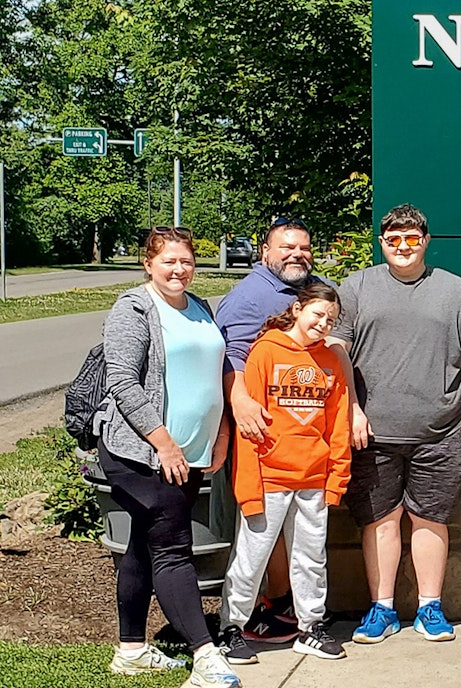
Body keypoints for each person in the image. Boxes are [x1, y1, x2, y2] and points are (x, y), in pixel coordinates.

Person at [329, 204, 461, 644]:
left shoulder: (456, 291)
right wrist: (351, 408)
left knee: (430, 520)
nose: (403, 247)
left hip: (442, 432)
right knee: (380, 521)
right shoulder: (355, 288)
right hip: (373, 431)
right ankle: (382, 609)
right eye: (394, 239)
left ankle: (430, 607)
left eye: (412, 239)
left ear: (426, 241)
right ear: (382, 242)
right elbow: (336, 352)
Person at [97, 227, 241, 688]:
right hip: (142, 455)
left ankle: (132, 650)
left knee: (143, 542)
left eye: (186, 261)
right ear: (148, 264)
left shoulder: (200, 307)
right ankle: (205, 656)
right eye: (168, 262)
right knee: (173, 548)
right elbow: (122, 382)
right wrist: (163, 443)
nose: (179, 270)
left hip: (193, 453)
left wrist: (221, 433)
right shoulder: (133, 308)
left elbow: (217, 371)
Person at [218, 283, 351, 663]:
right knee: (252, 555)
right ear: (297, 309)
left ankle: (311, 626)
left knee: (310, 557)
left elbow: (337, 424)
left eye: (331, 319)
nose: (323, 324)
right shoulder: (265, 352)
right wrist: (248, 484)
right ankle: (232, 627)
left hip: (313, 478)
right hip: (269, 477)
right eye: (317, 314)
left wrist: (336, 476)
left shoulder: (330, 362)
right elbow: (249, 425)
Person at [216, 217, 328, 648]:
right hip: (261, 437)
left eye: (303, 246)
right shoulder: (248, 298)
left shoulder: (314, 290)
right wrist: (241, 403)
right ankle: (248, 615)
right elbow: (230, 358)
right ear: (265, 252)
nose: (296, 253)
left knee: (300, 540)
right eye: (286, 247)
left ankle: (283, 608)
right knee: (258, 535)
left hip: (305, 444)